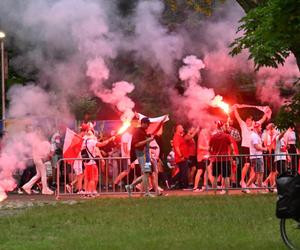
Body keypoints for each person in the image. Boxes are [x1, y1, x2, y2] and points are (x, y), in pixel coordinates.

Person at [232, 104, 269, 188]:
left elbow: (262, 120)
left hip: (253, 148)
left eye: (249, 120)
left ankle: (251, 182)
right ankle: (242, 181)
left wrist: (266, 113)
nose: (247, 121)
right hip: (245, 147)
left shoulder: (255, 125)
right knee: (247, 165)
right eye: (247, 120)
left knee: (252, 166)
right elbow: (237, 117)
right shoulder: (243, 125)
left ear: (252, 121)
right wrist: (235, 109)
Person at [125, 117, 155, 197]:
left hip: (145, 155)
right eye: (147, 124)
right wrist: (147, 141)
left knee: (146, 174)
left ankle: (131, 187)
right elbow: (136, 144)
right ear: (143, 123)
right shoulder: (138, 132)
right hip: (141, 155)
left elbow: (143, 144)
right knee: (146, 173)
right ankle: (146, 193)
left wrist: (150, 146)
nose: (148, 126)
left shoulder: (142, 131)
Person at [22, 128, 54, 195]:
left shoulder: (36, 143)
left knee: (38, 174)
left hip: (36, 159)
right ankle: (45, 189)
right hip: (39, 159)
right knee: (43, 174)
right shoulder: (45, 143)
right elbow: (47, 154)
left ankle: (27, 186)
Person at [209, 121, 235, 195]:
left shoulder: (213, 137)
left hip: (216, 159)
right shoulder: (226, 136)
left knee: (215, 176)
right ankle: (226, 193)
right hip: (225, 158)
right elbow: (232, 148)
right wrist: (231, 155)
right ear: (222, 127)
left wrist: (212, 154)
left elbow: (209, 149)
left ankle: (214, 193)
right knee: (226, 176)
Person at [244, 122, 268, 193]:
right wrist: (264, 149)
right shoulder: (254, 136)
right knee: (260, 173)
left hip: (256, 157)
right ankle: (259, 189)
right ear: (256, 128)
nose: (261, 128)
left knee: (256, 174)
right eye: (260, 127)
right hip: (257, 157)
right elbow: (257, 147)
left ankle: (246, 188)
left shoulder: (255, 135)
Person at [172, 124, 189, 189]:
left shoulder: (180, 136)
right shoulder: (176, 137)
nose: (183, 129)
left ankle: (180, 185)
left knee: (182, 172)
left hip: (183, 157)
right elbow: (177, 147)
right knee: (183, 172)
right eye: (181, 127)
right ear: (178, 128)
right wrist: (181, 156)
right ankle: (183, 185)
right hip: (181, 158)